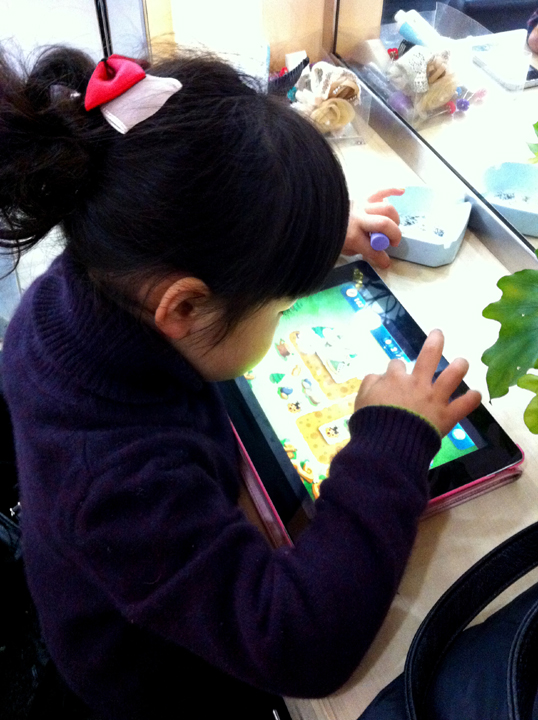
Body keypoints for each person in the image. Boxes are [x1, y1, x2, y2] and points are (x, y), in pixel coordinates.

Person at [0, 47, 481, 720]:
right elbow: (300, 643)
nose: (282, 312)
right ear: (184, 307)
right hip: (160, 684)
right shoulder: (115, 485)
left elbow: (197, 238)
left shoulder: (76, 293)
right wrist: (389, 442)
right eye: (279, 304)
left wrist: (287, 243)